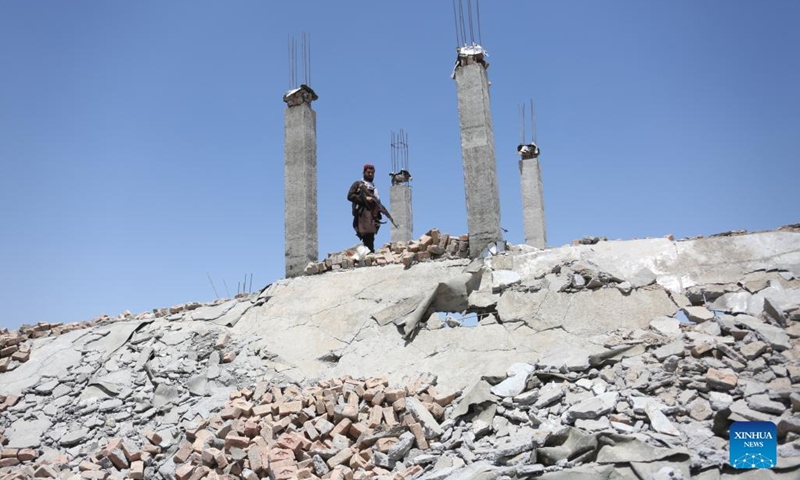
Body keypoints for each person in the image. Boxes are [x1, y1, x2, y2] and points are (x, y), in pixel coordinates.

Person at [347, 164, 383, 253]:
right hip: (363, 214)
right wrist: (365, 199)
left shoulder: (374, 188)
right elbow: (350, 196)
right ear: (363, 173)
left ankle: (369, 252)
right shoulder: (358, 184)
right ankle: (369, 253)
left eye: (372, 173)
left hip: (373, 215)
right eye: (368, 172)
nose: (370, 174)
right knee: (367, 233)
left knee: (371, 234)